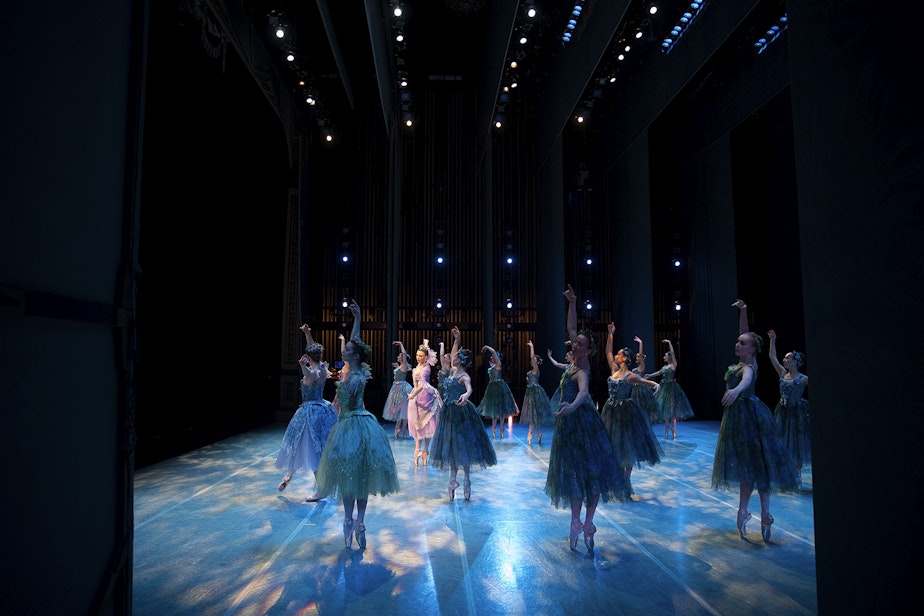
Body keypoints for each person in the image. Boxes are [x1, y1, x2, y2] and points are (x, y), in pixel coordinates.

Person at [545, 285, 630, 553]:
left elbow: (583, 392)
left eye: (580, 344)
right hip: (569, 426)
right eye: (575, 342)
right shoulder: (572, 362)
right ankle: (575, 520)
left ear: (587, 350)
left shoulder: (582, 368)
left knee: (591, 474)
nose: (574, 343)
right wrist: (572, 302)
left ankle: (589, 521)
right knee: (572, 474)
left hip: (583, 424)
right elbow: (571, 329)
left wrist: (570, 407)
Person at [314, 301, 400, 549]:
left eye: (348, 350)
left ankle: (357, 521)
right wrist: (358, 318)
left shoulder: (357, 374)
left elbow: (356, 350)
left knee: (357, 477)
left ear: (356, 356)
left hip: (355, 426)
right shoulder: (350, 370)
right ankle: (351, 520)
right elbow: (355, 340)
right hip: (348, 425)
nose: (344, 350)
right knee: (349, 478)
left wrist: (359, 321)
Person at [712, 300, 798, 542]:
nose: (738, 343)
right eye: (738, 342)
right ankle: (744, 511)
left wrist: (737, 390)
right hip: (738, 421)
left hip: (751, 420)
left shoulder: (750, 364)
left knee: (759, 466)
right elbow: (744, 331)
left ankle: (764, 512)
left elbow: (747, 379)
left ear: (751, 349)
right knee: (747, 468)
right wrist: (743, 311)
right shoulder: (742, 360)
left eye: (743, 343)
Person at [429, 326, 498, 500]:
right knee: (451, 447)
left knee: (464, 447)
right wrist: (457, 339)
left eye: (456, 357)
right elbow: (453, 353)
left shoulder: (464, 376)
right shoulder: (452, 372)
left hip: (461, 413)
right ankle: (453, 478)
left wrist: (466, 395)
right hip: (449, 414)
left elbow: (469, 388)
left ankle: (466, 479)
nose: (453, 358)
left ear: (460, 360)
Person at [275, 324, 339, 501]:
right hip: (322, 410)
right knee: (304, 447)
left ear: (309, 357)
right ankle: (289, 476)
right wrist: (308, 333)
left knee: (310, 450)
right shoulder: (322, 368)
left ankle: (320, 488)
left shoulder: (311, 372)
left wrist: (302, 365)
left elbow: (308, 374)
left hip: (309, 413)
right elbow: (313, 352)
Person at [600, 323, 663, 498]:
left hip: (625, 413)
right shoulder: (614, 369)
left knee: (626, 447)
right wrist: (610, 334)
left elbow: (646, 382)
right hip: (611, 412)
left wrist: (656, 384)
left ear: (625, 359)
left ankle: (625, 482)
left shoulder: (630, 376)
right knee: (612, 446)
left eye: (620, 354)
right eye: (618, 354)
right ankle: (616, 480)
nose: (617, 356)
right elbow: (607, 353)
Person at [768, 329, 812, 493]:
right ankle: (785, 476)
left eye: (787, 358)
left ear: (794, 362)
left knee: (797, 445)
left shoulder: (803, 379)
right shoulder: (782, 373)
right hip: (782, 413)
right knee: (782, 444)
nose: (784, 360)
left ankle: (797, 476)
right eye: (785, 358)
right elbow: (772, 357)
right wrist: (773, 339)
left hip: (797, 414)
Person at [646, 339, 695, 439]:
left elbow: (673, 353)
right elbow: (659, 373)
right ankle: (667, 428)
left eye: (665, 355)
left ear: (669, 357)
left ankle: (673, 428)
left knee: (671, 409)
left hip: (671, 388)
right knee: (665, 408)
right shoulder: (664, 367)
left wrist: (669, 343)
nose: (664, 357)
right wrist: (650, 375)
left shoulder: (673, 365)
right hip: (664, 387)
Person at [407, 338, 442, 467]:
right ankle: (417, 450)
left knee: (427, 424)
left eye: (420, 356)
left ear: (426, 357)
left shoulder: (426, 368)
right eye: (417, 355)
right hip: (417, 396)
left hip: (424, 396)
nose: (418, 357)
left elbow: (422, 384)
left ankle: (425, 450)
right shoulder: (418, 366)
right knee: (417, 424)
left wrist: (412, 395)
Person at [477, 344, 520, 439]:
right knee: (493, 409)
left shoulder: (498, 365)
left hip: (499, 388)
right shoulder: (492, 365)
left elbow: (493, 352)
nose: (492, 356)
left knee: (500, 409)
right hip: (492, 388)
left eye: (494, 356)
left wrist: (487, 347)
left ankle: (501, 427)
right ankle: (494, 428)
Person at [519, 340, 554, 445]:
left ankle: (532, 433)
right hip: (530, 393)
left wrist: (531, 347)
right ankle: (537, 433)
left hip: (536, 393)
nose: (532, 361)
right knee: (534, 415)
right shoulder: (531, 371)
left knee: (535, 415)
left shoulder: (536, 369)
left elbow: (532, 358)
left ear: (537, 363)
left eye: (534, 360)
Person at [382, 341, 412, 439]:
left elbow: (403, 354)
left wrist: (400, 344)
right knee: (398, 409)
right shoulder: (400, 366)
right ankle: (397, 428)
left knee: (403, 409)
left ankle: (402, 428)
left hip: (401, 389)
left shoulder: (404, 365)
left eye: (400, 356)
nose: (398, 357)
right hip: (396, 388)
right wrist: (396, 367)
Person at [630, 336, 660, 424]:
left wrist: (640, 343)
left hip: (641, 390)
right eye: (637, 356)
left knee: (642, 409)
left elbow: (641, 352)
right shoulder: (635, 369)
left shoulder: (641, 367)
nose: (637, 357)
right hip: (635, 390)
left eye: (639, 356)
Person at [546, 347, 573, 413]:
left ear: (572, 356)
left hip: (570, 390)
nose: (565, 358)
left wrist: (571, 343)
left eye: (567, 356)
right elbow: (556, 364)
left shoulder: (576, 366)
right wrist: (550, 356)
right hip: (562, 389)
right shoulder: (567, 366)